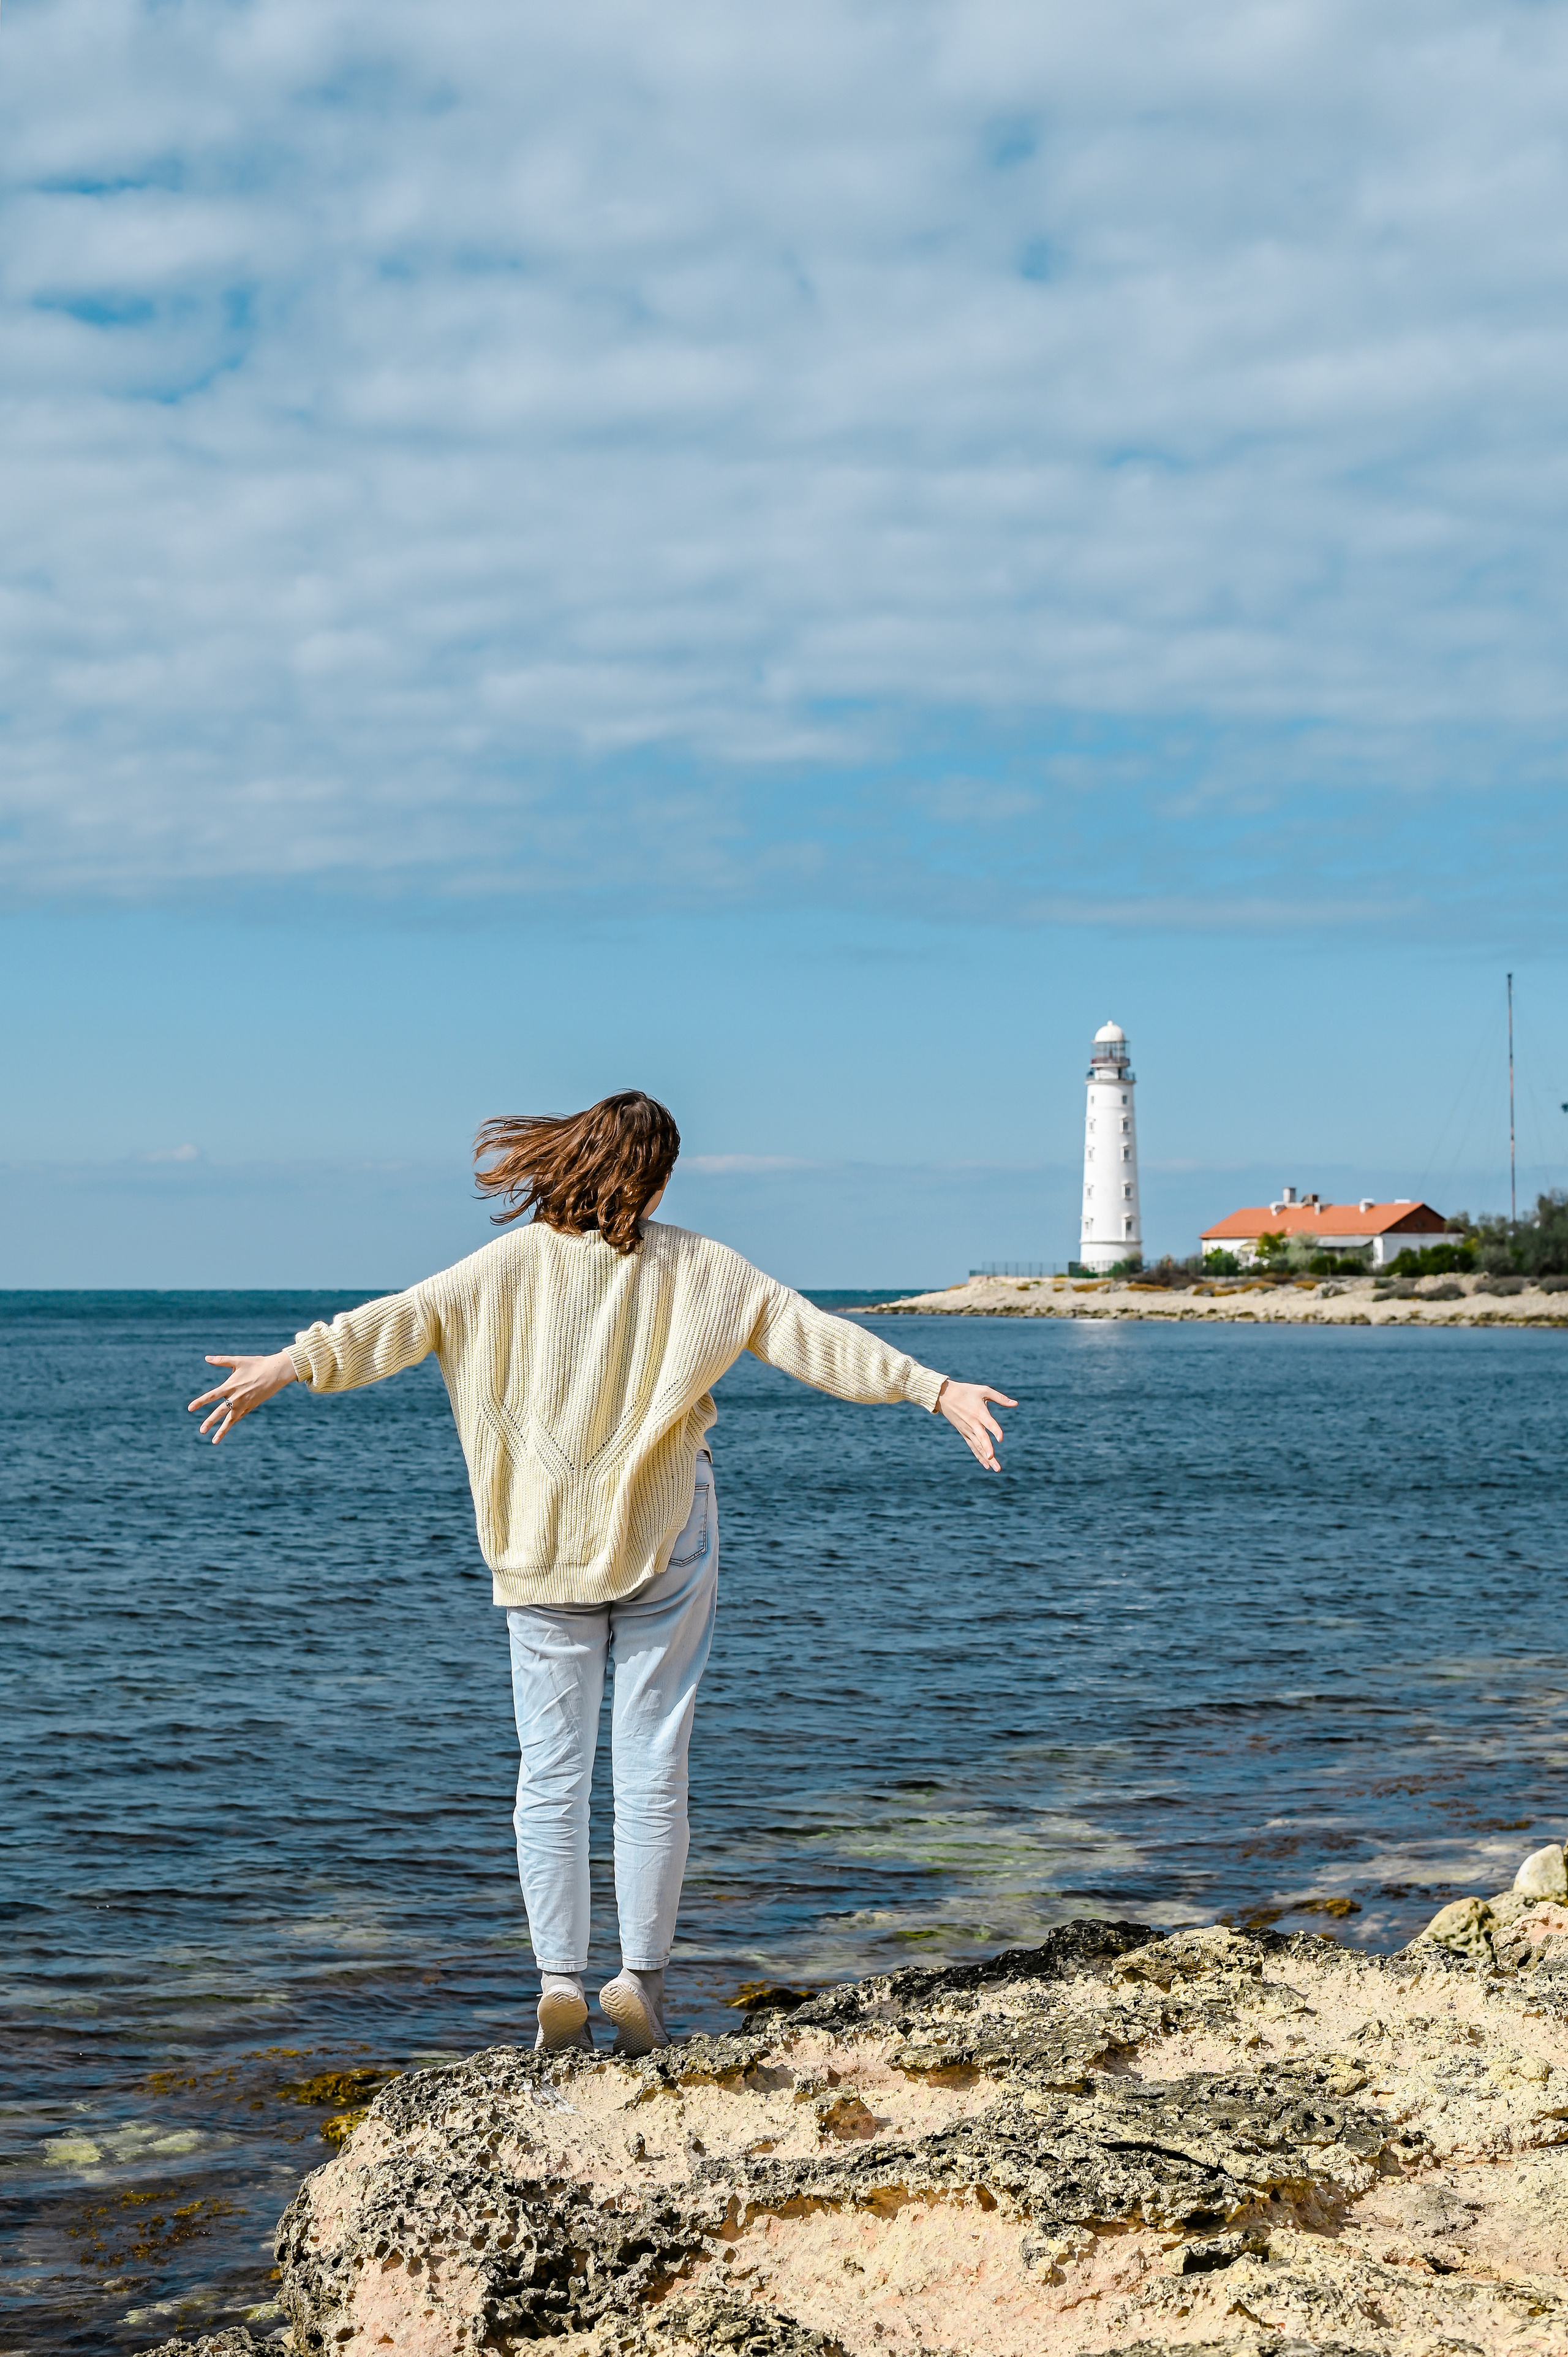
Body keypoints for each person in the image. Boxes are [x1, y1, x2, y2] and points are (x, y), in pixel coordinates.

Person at [188, 1091, 1014, 2057]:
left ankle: (558, 1983)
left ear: (571, 1160)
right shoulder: (704, 1267)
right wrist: (935, 1389)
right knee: (654, 1757)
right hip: (667, 1533)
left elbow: (396, 1325)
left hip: (539, 1546)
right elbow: (815, 1340)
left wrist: (288, 1366)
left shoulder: (505, 1266)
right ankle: (644, 1984)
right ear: (656, 1177)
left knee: (552, 1771)